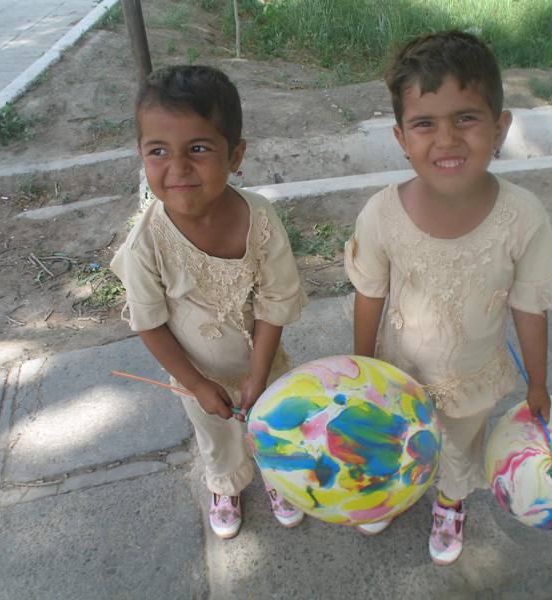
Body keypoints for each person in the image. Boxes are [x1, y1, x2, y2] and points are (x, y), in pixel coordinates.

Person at [344, 31, 552, 565]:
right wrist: (363, 369)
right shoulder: (382, 213)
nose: (446, 138)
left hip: (472, 377)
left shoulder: (523, 217)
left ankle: (451, 502)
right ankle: (389, 490)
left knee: (459, 446)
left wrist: (538, 383)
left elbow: (529, 303)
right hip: (397, 372)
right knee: (392, 442)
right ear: (401, 137)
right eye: (425, 123)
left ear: (500, 128)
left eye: (466, 118)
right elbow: (370, 292)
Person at [111, 65, 308, 539]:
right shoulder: (145, 245)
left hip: (266, 360)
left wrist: (259, 375)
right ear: (141, 154)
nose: (177, 168)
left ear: (235, 154)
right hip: (196, 375)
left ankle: (278, 474)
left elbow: (275, 300)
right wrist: (197, 384)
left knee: (273, 423)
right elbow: (150, 323)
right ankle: (224, 483)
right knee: (216, 437)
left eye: (198, 148)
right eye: (158, 151)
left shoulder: (259, 218)